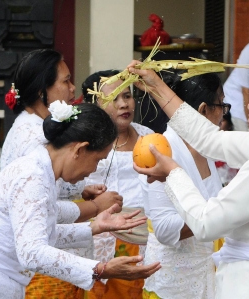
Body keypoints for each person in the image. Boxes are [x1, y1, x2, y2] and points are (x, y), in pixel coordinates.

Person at [0, 102, 161, 299]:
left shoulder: (42, 169)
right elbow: (32, 251)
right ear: (79, 149)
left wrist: (96, 226)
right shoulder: (33, 175)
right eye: (97, 160)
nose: (91, 170)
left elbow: (42, 227)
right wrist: (100, 269)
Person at [130, 59, 249, 299]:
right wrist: (156, 86)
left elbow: (205, 223)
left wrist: (172, 173)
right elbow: (209, 139)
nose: (247, 106)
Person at [0, 49, 122, 298]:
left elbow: (46, 205)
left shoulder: (31, 127)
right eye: (65, 81)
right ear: (41, 91)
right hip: (43, 271)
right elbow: (39, 235)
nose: (72, 88)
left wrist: (82, 195)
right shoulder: (34, 142)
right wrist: (95, 208)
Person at [141, 71, 226, 299]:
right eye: (222, 105)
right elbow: (165, 229)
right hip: (174, 283)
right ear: (203, 110)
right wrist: (222, 213)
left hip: (208, 273)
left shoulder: (205, 147)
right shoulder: (162, 149)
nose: (224, 115)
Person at [82, 70, 154, 299]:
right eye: (114, 99)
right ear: (95, 105)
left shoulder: (148, 137)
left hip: (141, 236)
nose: (124, 104)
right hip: (98, 235)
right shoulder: (85, 142)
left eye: (128, 96)